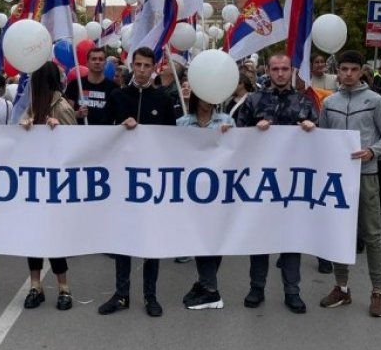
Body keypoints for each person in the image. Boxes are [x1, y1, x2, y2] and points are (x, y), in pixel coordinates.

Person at [233, 53, 317, 312]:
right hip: (260, 182)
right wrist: (253, 131)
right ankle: (256, 288)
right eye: (275, 69)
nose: (280, 73)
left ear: (291, 71)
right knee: (260, 236)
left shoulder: (304, 102)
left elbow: (322, 140)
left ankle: (292, 291)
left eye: (284, 69)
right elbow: (236, 137)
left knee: (291, 237)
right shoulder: (253, 100)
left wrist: (312, 128)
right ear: (268, 71)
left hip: (292, 185)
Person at [318, 50, 381, 317]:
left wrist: (372, 151)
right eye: (344, 69)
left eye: (354, 69)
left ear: (362, 70)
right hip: (337, 178)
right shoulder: (329, 102)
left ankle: (378, 292)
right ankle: (341, 288)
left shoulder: (376, 101)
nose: (349, 74)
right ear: (337, 71)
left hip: (366, 175)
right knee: (339, 232)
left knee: (372, 235)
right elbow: (322, 137)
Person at [99, 46, 176, 316]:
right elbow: (101, 133)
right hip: (122, 180)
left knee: (151, 239)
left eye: (147, 66)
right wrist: (119, 128)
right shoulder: (118, 96)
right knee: (123, 238)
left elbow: (173, 140)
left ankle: (150, 296)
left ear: (154, 68)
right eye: (138, 65)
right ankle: (121, 295)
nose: (142, 70)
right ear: (132, 66)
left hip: (152, 181)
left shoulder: (163, 99)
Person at [20, 61, 78, 311]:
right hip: (34, 184)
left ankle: (64, 288)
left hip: (55, 186)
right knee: (33, 237)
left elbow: (76, 145)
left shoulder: (61, 107)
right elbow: (20, 140)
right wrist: (25, 128)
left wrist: (58, 131)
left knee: (54, 238)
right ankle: (36, 286)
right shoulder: (33, 107)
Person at [177, 92, 234, 310]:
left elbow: (237, 153)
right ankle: (208, 286)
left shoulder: (227, 121)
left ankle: (209, 288)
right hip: (192, 191)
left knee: (214, 238)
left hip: (219, 191)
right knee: (200, 237)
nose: (208, 100)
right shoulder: (182, 123)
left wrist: (229, 137)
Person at [66, 46, 115, 124]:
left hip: (105, 131)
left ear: (105, 63)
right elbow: (66, 114)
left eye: (101, 59)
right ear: (87, 63)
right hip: (80, 130)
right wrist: (78, 114)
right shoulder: (75, 85)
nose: (97, 62)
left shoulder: (114, 88)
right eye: (94, 59)